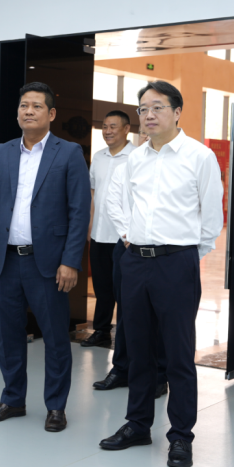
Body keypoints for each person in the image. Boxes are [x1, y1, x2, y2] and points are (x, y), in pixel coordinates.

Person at [98, 81, 223, 467]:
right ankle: (138, 425)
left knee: (178, 354)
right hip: (135, 261)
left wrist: (185, 255)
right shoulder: (135, 159)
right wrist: (128, 236)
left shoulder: (199, 156)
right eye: (143, 109)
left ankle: (181, 436)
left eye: (157, 107)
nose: (148, 115)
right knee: (137, 349)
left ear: (177, 112)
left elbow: (212, 216)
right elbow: (116, 202)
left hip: (176, 263)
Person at [0, 82, 90, 433]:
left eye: (36, 106)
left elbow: (79, 211)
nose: (28, 111)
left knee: (55, 338)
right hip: (6, 262)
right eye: (24, 105)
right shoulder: (2, 152)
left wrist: (70, 261)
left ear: (51, 113)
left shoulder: (68, 153)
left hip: (49, 264)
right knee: (9, 335)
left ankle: (56, 406)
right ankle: (13, 399)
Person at [96, 128, 169, 398]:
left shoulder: (179, 165)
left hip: (165, 251)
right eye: (146, 132)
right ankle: (121, 369)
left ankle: (160, 375)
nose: (150, 136)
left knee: (161, 313)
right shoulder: (128, 165)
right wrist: (128, 235)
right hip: (128, 248)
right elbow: (112, 202)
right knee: (127, 311)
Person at [81, 111, 136, 348]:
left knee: (124, 289)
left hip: (124, 238)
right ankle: (101, 330)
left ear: (126, 129)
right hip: (99, 234)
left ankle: (127, 335)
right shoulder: (99, 157)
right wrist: (89, 225)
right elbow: (93, 194)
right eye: (104, 127)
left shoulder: (136, 157)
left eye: (113, 126)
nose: (107, 131)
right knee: (102, 287)